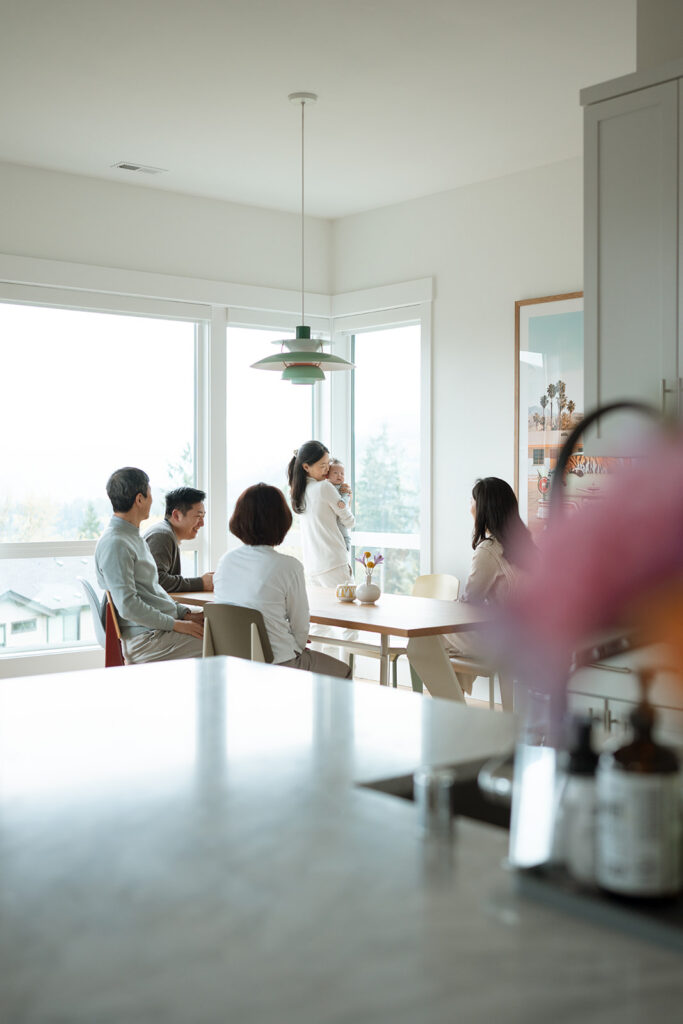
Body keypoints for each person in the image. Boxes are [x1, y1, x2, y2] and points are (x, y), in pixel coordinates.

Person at [213, 483, 350, 678]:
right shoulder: (289, 566)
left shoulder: (225, 561)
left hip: (232, 662)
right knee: (343, 672)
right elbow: (300, 626)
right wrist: (295, 648)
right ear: (281, 520)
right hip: (276, 662)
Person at [95, 467, 204, 663]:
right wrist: (177, 624)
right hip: (146, 640)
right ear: (139, 499)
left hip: (158, 629)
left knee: (220, 627)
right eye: (150, 493)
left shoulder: (131, 536)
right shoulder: (116, 543)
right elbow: (128, 607)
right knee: (226, 642)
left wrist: (183, 613)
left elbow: (152, 591)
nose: (153, 500)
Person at [444, 477, 535, 700]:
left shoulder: (490, 549)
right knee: (445, 645)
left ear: (483, 507)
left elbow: (470, 601)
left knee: (426, 638)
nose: (470, 507)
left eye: (472, 501)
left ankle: (452, 706)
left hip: (504, 643)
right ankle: (456, 703)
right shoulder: (526, 545)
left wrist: (447, 607)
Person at [287, 441, 355, 587]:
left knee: (322, 610)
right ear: (306, 467)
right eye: (322, 466)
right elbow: (349, 522)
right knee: (346, 609)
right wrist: (347, 499)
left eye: (328, 465)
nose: (327, 470)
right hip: (334, 563)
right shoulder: (324, 487)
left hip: (313, 566)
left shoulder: (298, 492)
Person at [144, 486, 214, 593]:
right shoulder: (162, 535)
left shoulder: (166, 533)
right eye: (198, 516)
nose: (202, 523)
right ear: (176, 515)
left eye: (203, 516)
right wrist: (201, 583)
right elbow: (157, 581)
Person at [326, 458, 352, 553]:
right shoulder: (326, 486)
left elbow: (347, 496)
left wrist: (343, 502)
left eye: (342, 473)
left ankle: (347, 542)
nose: (339, 476)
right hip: (331, 517)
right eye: (335, 473)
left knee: (343, 528)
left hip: (340, 515)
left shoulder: (343, 487)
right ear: (327, 475)